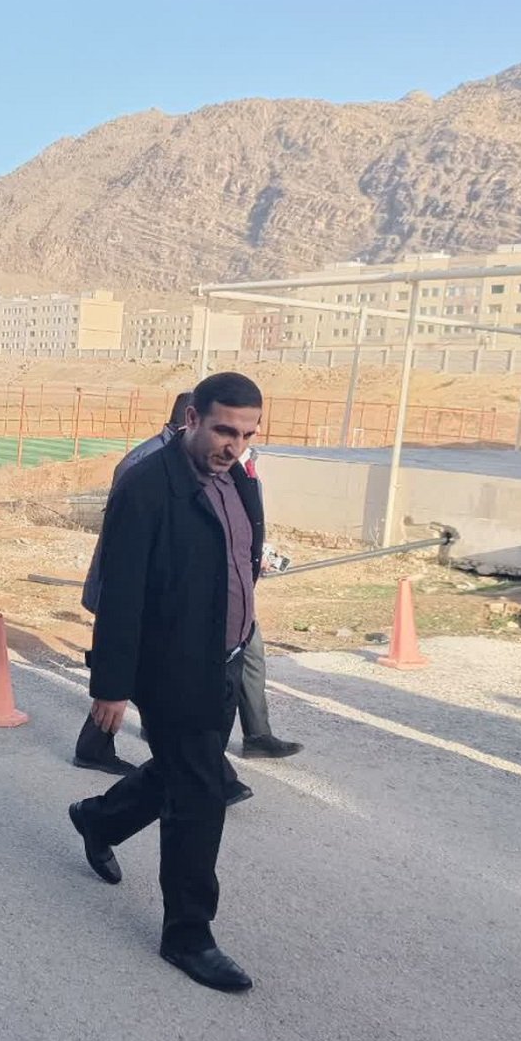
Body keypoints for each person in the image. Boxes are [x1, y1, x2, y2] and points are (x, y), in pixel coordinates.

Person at [67, 371, 267, 993]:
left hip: (224, 656)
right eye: (224, 430)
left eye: (248, 434)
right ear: (192, 418)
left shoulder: (239, 480)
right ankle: (188, 934)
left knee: (186, 769)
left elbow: (240, 559)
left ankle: (100, 820)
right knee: (201, 795)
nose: (235, 445)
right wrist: (110, 685)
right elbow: (122, 593)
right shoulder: (148, 487)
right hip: (172, 663)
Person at [73, 392, 190, 776]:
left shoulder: (170, 457)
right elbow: (125, 536)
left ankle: (99, 744)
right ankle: (97, 746)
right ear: (189, 421)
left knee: (137, 665)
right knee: (127, 665)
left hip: (143, 584)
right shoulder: (146, 464)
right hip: (125, 582)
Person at [234, 446, 302, 761]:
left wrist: (257, 553)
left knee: (252, 655)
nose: (246, 439)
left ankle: (257, 736)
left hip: (241, 584)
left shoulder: (249, 467)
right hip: (214, 585)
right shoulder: (207, 468)